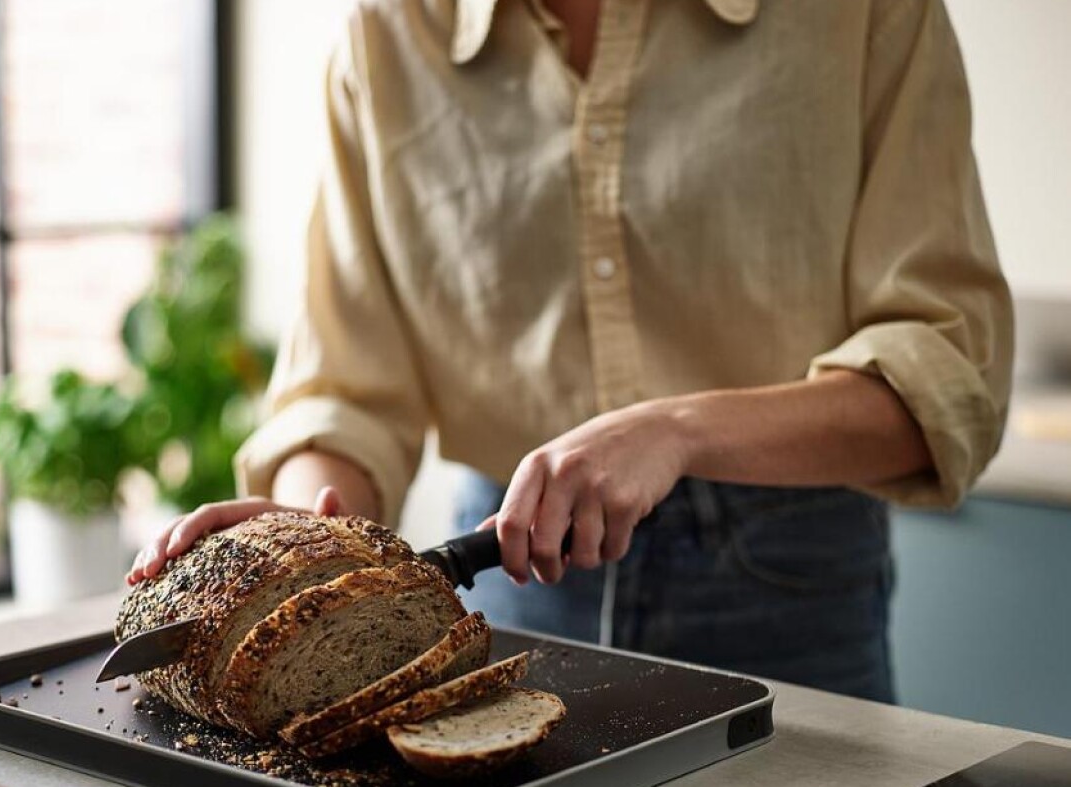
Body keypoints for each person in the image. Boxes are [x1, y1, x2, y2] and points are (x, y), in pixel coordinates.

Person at [129, 0, 1012, 703]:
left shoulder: (864, 12)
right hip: (503, 579)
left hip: (789, 586)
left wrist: (675, 430)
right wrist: (309, 544)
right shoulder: (386, 32)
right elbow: (345, 394)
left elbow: (949, 374)